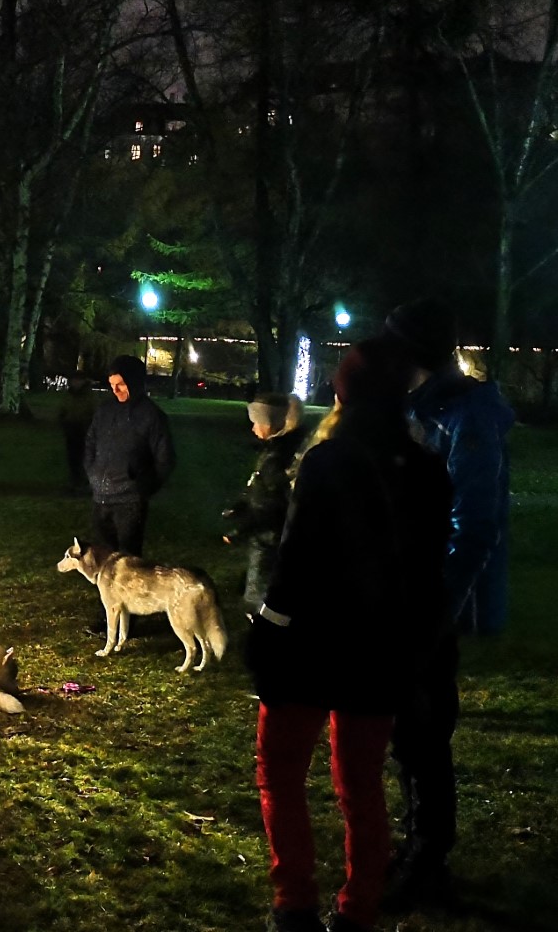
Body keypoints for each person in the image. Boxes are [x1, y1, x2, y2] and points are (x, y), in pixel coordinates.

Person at [248, 339, 452, 932]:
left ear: (342, 391)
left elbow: (295, 562)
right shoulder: (426, 468)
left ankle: (295, 903)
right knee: (361, 785)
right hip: (380, 648)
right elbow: (429, 568)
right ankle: (358, 909)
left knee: (281, 772)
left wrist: (268, 631)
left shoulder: (328, 462)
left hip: (309, 645)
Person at [380, 297, 515, 908]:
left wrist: (438, 610)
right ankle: (417, 845)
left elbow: (476, 523)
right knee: (408, 728)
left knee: (425, 726)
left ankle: (427, 855)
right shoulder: (419, 409)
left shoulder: (466, 417)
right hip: (406, 591)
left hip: (428, 599)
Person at [223, 393, 307, 616]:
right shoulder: (272, 451)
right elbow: (258, 488)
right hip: (265, 531)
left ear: (269, 424)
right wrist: (241, 506)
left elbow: (271, 503)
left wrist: (242, 527)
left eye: (256, 424)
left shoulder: (277, 458)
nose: (252, 429)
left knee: (258, 594)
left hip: (268, 534)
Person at [83, 354, 175, 556]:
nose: (115, 390)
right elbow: (90, 442)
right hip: (101, 497)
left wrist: (142, 487)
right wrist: (92, 473)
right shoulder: (105, 411)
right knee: (103, 555)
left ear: (134, 382)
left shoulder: (151, 416)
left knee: (128, 559)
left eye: (121, 384)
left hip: (129, 501)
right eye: (111, 385)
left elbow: (164, 458)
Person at [56, 373, 97, 494]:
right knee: (72, 458)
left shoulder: (89, 395)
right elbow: (63, 409)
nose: (75, 383)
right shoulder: (69, 394)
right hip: (71, 429)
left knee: (83, 456)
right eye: (73, 380)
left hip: (84, 429)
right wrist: (63, 421)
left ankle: (83, 482)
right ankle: (74, 480)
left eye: (77, 380)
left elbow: (93, 411)